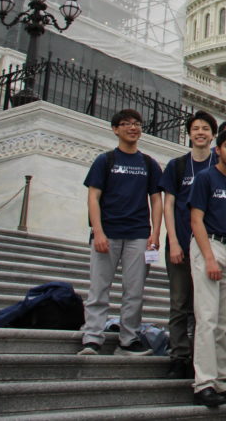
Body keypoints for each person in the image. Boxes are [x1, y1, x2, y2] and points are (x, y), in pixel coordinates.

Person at [79, 108, 163, 358]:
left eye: (136, 123)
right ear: (115, 129)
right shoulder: (105, 160)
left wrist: (156, 233)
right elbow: (93, 197)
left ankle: (129, 338)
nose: (132, 127)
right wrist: (98, 231)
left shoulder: (148, 163)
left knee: (134, 290)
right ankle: (92, 337)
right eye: (126, 124)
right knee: (99, 288)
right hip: (109, 232)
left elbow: (156, 200)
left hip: (138, 233)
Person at [189, 127, 226, 407]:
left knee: (225, 324)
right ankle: (204, 382)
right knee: (207, 319)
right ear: (218, 149)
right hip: (209, 245)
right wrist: (209, 257)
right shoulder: (205, 178)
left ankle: (222, 381)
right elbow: (196, 219)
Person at [159, 110, 217, 377]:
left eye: (206, 128)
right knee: (180, 304)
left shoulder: (221, 166)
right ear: (189, 134)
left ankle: (200, 357)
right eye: (196, 128)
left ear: (213, 135)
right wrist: (172, 241)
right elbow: (168, 205)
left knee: (204, 308)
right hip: (181, 243)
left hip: (210, 249)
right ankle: (179, 355)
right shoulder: (177, 166)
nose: (201, 132)